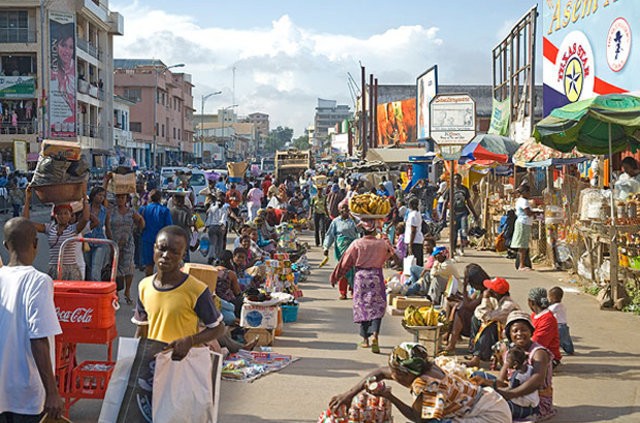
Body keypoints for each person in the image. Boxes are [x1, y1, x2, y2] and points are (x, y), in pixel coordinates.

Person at [329, 343, 512, 422]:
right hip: (489, 401)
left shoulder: (427, 384)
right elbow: (379, 373)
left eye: (394, 372)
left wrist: (389, 396)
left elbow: (419, 419)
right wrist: (349, 394)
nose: (390, 374)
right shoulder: (421, 368)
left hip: (490, 415)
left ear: (405, 374)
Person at [0, 218, 64, 421]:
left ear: (5, 245)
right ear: (36, 243)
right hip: (26, 396)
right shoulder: (38, 281)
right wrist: (52, 392)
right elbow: (39, 339)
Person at [132, 226, 225, 360]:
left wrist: (190, 340)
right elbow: (142, 330)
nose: (166, 255)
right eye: (162, 249)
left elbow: (218, 328)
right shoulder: (144, 286)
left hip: (184, 364)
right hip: (155, 364)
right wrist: (134, 360)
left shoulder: (196, 289)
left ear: (183, 255)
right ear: (154, 248)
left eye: (174, 252)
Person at [475, 311, 556, 421]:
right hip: (513, 392)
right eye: (515, 331)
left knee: (491, 408)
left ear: (531, 332)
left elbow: (537, 381)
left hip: (535, 402)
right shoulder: (511, 352)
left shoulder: (538, 353)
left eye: (524, 330)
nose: (519, 334)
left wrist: (510, 394)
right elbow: (501, 381)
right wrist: (485, 382)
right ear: (509, 335)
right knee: (477, 376)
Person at [330, 219, 395, 353]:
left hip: (361, 278)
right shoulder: (381, 244)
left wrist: (336, 276)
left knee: (363, 307)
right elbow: (393, 254)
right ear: (375, 230)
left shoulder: (357, 244)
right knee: (377, 307)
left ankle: (365, 339)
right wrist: (385, 240)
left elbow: (345, 262)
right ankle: (375, 334)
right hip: (376, 277)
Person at [23, 186, 89, 280]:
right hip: (54, 269)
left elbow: (86, 218)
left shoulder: (73, 229)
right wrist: (27, 199)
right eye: (59, 214)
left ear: (71, 216)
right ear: (55, 216)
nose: (62, 216)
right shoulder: (50, 228)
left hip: (71, 271)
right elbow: (26, 222)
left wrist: (84, 197)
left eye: (66, 213)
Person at [465, 277, 520, 368]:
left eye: (490, 289)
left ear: (495, 293)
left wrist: (485, 298)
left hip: (508, 335)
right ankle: (474, 351)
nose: (487, 290)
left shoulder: (508, 305)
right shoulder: (495, 299)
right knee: (475, 319)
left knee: (490, 325)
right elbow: (478, 313)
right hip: (499, 331)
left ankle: (477, 357)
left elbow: (487, 317)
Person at [442, 263, 489, 355]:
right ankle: (448, 333)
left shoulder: (486, 291)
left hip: (481, 321)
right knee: (452, 303)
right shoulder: (480, 290)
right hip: (475, 316)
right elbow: (470, 299)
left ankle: (451, 342)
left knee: (461, 311)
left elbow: (468, 306)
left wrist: (464, 287)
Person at [110, 193, 145, 304]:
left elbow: (141, 221)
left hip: (128, 242)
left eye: (122, 198)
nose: (120, 200)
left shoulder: (131, 211)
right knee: (115, 269)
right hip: (114, 243)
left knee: (129, 267)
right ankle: (115, 291)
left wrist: (137, 229)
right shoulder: (112, 211)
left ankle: (127, 291)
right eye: (118, 197)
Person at [323, 203, 360, 300]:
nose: (345, 210)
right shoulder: (335, 222)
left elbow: (360, 230)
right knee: (342, 269)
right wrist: (326, 247)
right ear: (340, 210)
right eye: (343, 208)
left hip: (352, 248)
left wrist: (355, 218)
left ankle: (353, 290)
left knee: (353, 269)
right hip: (340, 249)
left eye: (347, 209)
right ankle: (343, 292)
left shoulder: (353, 221)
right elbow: (330, 235)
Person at [139, 189, 173, 276]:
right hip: (161, 241)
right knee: (161, 264)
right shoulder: (165, 211)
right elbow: (169, 227)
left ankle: (148, 284)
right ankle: (160, 284)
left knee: (148, 265)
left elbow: (139, 224)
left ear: (149, 198)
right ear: (160, 198)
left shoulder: (143, 209)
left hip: (147, 239)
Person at [443, 174, 478, 256]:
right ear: (453, 180)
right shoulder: (450, 190)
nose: (457, 181)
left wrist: (474, 213)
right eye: (455, 179)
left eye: (459, 179)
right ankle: (453, 249)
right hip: (453, 214)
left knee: (464, 232)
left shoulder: (464, 189)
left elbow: (469, 202)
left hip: (463, 213)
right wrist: (442, 215)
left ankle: (462, 248)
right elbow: (445, 203)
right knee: (454, 233)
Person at [501, 347, 540, 418]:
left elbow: (510, 392)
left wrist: (497, 391)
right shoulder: (530, 368)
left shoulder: (517, 376)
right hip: (534, 402)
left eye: (508, 361)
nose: (506, 363)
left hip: (523, 403)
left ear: (515, 364)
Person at [528, 287, 562, 366]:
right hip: (536, 350)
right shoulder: (534, 315)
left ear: (532, 302)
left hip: (547, 356)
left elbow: (538, 342)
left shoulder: (547, 319)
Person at [85, 186, 111, 281]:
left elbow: (107, 228)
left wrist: (111, 244)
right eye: (99, 195)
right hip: (86, 242)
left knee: (96, 269)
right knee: (88, 267)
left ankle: (96, 291)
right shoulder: (86, 209)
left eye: (103, 196)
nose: (101, 197)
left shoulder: (105, 211)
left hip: (100, 242)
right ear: (93, 195)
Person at [512, 183, 535, 271]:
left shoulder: (523, 201)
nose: (529, 194)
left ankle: (522, 264)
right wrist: (536, 213)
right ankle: (521, 265)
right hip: (523, 223)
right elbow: (528, 213)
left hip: (525, 223)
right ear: (524, 192)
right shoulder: (523, 201)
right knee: (522, 245)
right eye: (528, 192)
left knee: (524, 245)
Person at [213, 250, 244, 316]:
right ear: (230, 260)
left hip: (214, 299)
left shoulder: (212, 270)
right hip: (227, 301)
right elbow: (237, 292)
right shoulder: (230, 273)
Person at [205, 192, 230, 265]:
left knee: (213, 243)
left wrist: (206, 226)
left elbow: (208, 215)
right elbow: (224, 218)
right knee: (219, 243)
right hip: (219, 227)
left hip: (212, 226)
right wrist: (223, 226)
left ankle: (211, 257)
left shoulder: (212, 205)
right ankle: (217, 258)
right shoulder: (224, 207)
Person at [168, 192, 194, 263]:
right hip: (184, 236)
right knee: (185, 255)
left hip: (173, 236)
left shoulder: (170, 211)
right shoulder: (186, 211)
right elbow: (190, 223)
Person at [548, 286, 575, 355]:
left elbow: (549, 312)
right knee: (566, 339)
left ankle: (554, 351)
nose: (549, 299)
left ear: (554, 297)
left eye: (550, 297)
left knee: (559, 340)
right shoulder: (561, 305)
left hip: (558, 326)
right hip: (563, 325)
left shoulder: (556, 306)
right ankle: (569, 350)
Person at [404, 197, 424, 266]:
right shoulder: (416, 213)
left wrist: (410, 245)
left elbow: (413, 231)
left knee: (414, 263)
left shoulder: (413, 215)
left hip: (414, 242)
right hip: (415, 241)